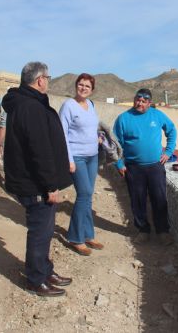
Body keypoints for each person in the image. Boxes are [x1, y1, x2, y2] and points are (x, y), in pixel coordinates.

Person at [1, 61, 73, 297]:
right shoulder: (30, 107)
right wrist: (50, 186)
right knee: (40, 232)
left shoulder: (24, 103)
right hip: (35, 184)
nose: (48, 82)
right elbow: (39, 151)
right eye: (48, 78)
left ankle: (45, 270)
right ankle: (35, 279)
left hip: (31, 180)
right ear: (40, 80)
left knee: (46, 229)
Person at [113, 88, 177, 245]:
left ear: (149, 103)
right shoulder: (123, 118)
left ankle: (163, 231)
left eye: (143, 101)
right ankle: (143, 230)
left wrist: (168, 151)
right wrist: (119, 163)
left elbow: (172, 130)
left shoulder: (157, 115)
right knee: (137, 200)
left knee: (159, 199)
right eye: (137, 100)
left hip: (155, 166)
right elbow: (115, 144)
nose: (139, 103)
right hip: (133, 168)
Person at [59, 73, 103, 256]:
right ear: (76, 85)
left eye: (87, 86)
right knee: (83, 194)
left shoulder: (91, 105)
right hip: (76, 157)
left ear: (92, 90)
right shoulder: (68, 106)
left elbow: (91, 127)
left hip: (93, 156)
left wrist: (97, 138)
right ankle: (76, 238)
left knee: (88, 195)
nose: (83, 88)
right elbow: (62, 134)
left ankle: (88, 234)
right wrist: (68, 160)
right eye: (81, 84)